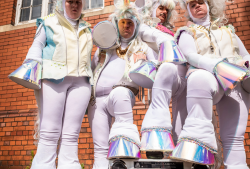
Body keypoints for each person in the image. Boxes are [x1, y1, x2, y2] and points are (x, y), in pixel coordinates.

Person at [171, 0, 250, 168]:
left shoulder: (228, 31)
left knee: (234, 137)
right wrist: (218, 65)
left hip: (236, 80)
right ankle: (199, 153)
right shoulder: (187, 32)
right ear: (188, 9)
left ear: (209, 4)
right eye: (192, 4)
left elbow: (246, 55)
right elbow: (189, 55)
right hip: (208, 77)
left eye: (200, 2)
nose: (197, 6)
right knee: (198, 79)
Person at [87, 1, 157, 168]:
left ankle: (125, 158)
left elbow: (157, 66)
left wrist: (144, 62)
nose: (126, 26)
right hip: (96, 100)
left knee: (120, 97)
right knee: (100, 148)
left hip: (122, 94)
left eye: (130, 23)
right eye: (123, 22)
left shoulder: (142, 46)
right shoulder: (105, 46)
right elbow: (91, 68)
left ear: (136, 25)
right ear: (116, 24)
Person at [25, 0, 93, 168]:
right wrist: (31, 66)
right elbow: (37, 46)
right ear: (63, 2)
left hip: (81, 82)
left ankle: (69, 165)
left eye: (78, 2)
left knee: (71, 134)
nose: (75, 5)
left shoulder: (88, 28)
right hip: (54, 78)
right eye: (71, 1)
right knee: (49, 131)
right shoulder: (48, 21)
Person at [135, 0, 188, 151]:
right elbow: (150, 35)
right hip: (163, 74)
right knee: (167, 68)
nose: (164, 12)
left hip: (181, 78)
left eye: (166, 10)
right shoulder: (145, 28)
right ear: (151, 10)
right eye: (160, 8)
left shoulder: (171, 32)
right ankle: (157, 139)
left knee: (182, 115)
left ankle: (181, 147)